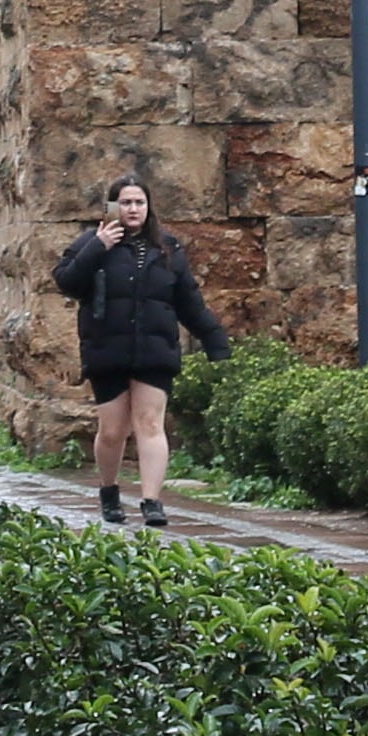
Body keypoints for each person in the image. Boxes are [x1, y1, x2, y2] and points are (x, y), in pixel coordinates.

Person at [48, 173, 229, 527]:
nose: (133, 209)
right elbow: (67, 282)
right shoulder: (91, 243)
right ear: (112, 206)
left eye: (139, 202)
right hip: (107, 349)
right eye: (126, 202)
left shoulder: (167, 248)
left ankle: (152, 501)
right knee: (113, 430)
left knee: (149, 422)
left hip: (154, 349)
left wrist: (216, 342)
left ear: (149, 207)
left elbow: (190, 302)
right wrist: (98, 246)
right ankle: (109, 490)